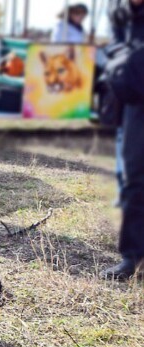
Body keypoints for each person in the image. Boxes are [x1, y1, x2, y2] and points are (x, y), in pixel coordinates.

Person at [102, 0, 144, 280]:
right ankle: (133, 258)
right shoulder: (121, 13)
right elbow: (116, 48)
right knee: (134, 179)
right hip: (137, 102)